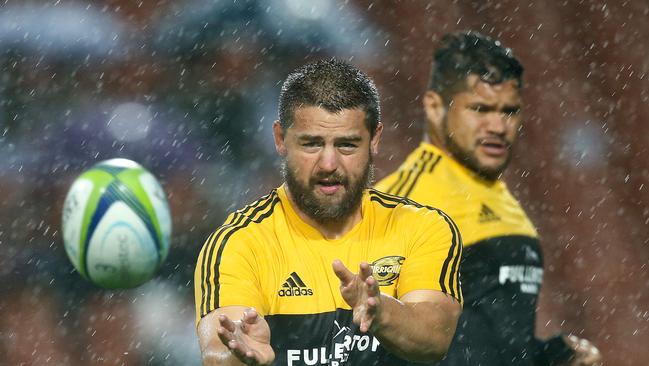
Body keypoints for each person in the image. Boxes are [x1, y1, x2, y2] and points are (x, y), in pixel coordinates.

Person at [194, 59, 463, 366]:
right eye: (311, 144)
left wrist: (381, 312)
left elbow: (434, 338)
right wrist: (239, 356)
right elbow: (218, 348)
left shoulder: (422, 227)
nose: (328, 164)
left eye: (347, 145)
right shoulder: (239, 243)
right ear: (281, 139)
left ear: (374, 140)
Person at [376, 31, 602, 366]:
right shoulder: (403, 204)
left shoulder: (503, 201)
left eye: (509, 111)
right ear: (435, 106)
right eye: (480, 108)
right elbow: (363, 340)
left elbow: (485, 344)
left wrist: (549, 357)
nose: (498, 125)